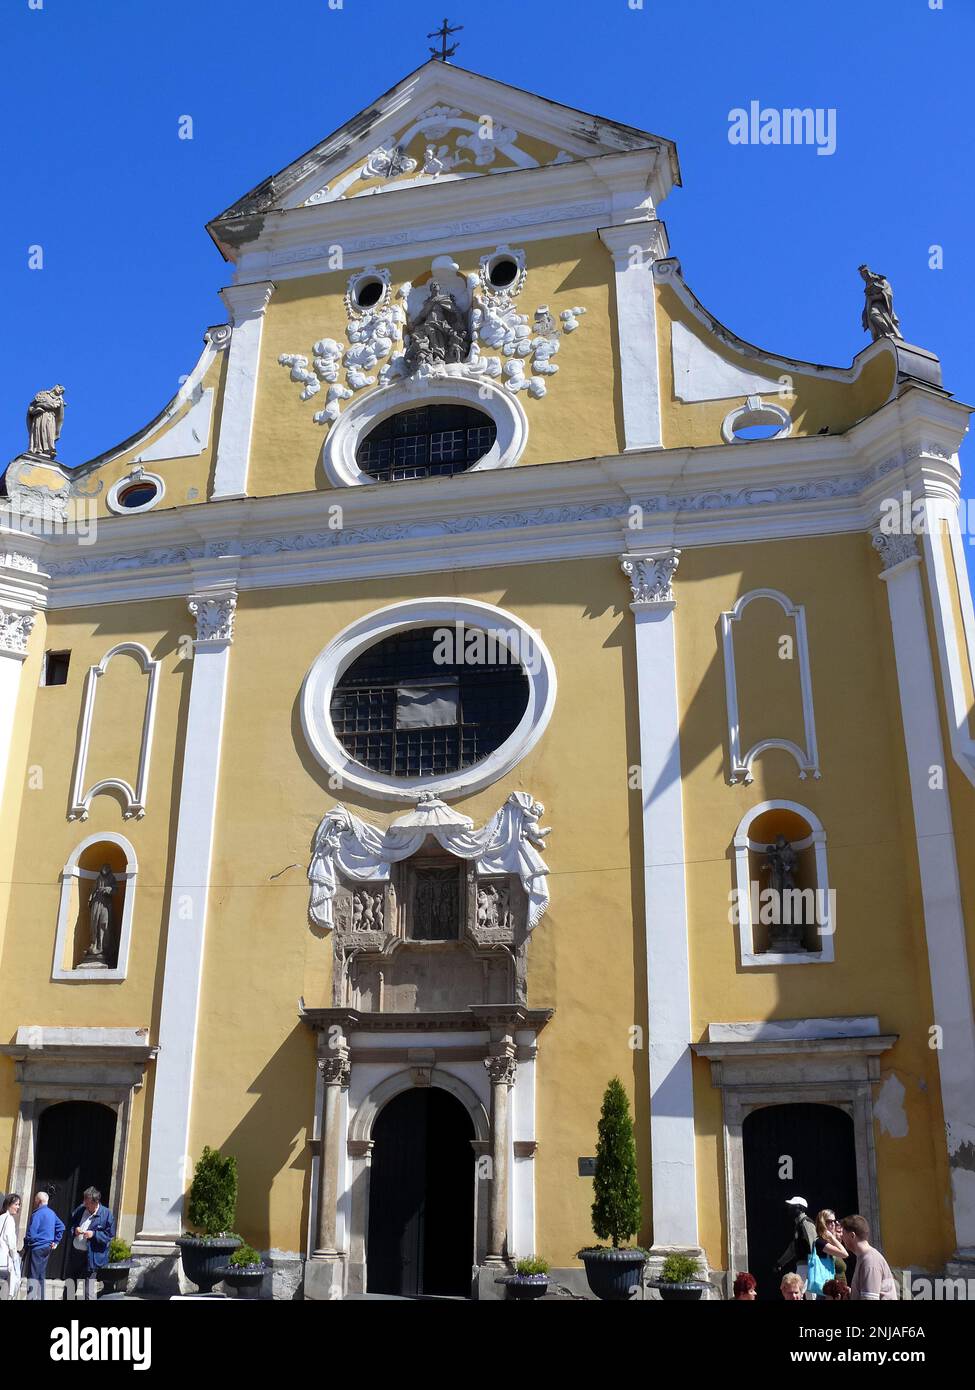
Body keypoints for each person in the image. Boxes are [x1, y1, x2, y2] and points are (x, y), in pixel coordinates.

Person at [67, 1187, 115, 1298]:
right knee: (70, 1286)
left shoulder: (106, 1214)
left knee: (88, 1290)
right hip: (75, 1255)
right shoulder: (80, 1209)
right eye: (85, 1202)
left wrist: (94, 1235)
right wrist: (74, 1230)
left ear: (96, 1202)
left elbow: (109, 1236)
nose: (85, 1205)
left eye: (88, 1203)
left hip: (92, 1257)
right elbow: (71, 1224)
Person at [840, 1214, 898, 1300]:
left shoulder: (870, 1261)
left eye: (843, 1233)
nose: (841, 1237)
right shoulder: (864, 1258)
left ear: (852, 1236)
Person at [24, 1191, 64, 1300]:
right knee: (41, 1275)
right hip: (47, 1247)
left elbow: (31, 1233)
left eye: (35, 1199)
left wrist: (26, 1244)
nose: (34, 1201)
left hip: (37, 1247)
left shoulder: (37, 1213)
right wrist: (56, 1241)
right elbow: (61, 1227)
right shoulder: (51, 1213)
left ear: (39, 1201)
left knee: (33, 1275)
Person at [775, 1195, 817, 1284]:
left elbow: (814, 1244)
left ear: (801, 1208)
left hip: (808, 1266)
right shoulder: (798, 1225)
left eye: (793, 1206)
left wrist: (813, 1267)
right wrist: (780, 1263)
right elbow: (793, 1248)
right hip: (802, 1266)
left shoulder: (806, 1223)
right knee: (800, 1294)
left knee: (804, 1294)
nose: (790, 1208)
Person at [808, 1208, 846, 1298]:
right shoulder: (820, 1242)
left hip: (833, 1291)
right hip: (827, 1292)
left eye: (834, 1221)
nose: (833, 1224)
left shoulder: (827, 1242)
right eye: (829, 1221)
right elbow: (844, 1254)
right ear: (822, 1223)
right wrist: (832, 1237)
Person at [0, 1194, 22, 1300]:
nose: (18, 1207)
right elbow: (12, 1245)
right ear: (9, 1204)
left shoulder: (1, 1218)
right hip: (4, 1263)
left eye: (19, 1204)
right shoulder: (9, 1220)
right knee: (5, 1292)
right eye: (16, 1204)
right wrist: (15, 1259)